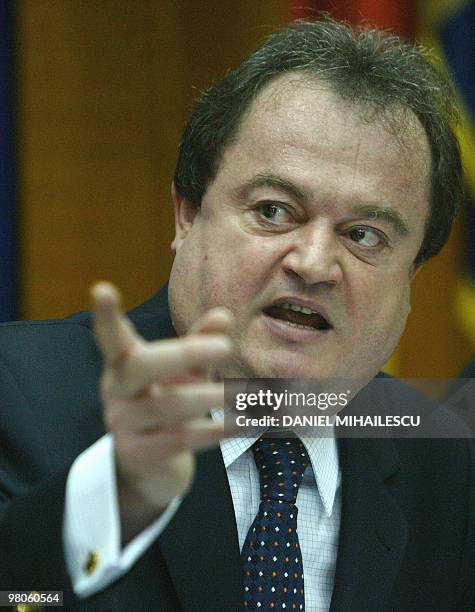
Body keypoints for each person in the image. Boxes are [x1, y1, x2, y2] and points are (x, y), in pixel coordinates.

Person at [0, 16, 473, 612]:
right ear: (187, 215)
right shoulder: (14, 392)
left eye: (365, 235)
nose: (314, 262)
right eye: (275, 211)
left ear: (412, 278)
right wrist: (118, 494)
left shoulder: (446, 464)